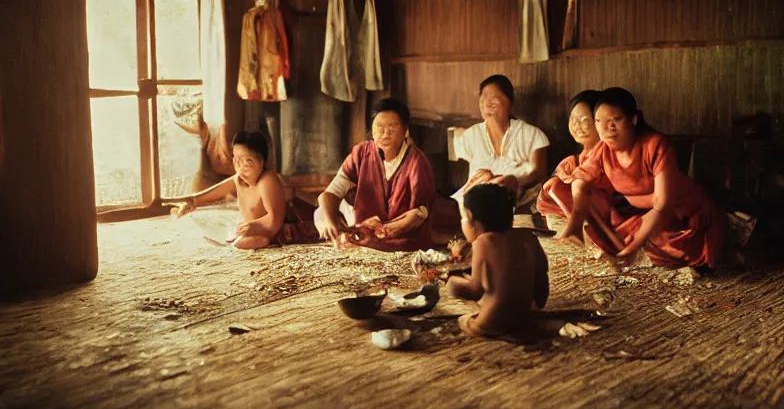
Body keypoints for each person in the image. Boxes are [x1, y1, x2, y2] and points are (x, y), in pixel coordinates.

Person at [556, 87, 726, 268]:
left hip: (685, 213)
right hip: (646, 213)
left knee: (664, 246)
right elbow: (581, 182)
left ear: (634, 119)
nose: (607, 128)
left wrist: (635, 245)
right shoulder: (603, 148)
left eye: (616, 120)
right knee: (603, 228)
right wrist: (575, 223)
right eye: (599, 121)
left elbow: (663, 204)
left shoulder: (656, 145)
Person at [314, 98, 436, 252]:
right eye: (379, 127)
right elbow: (330, 194)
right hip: (364, 231)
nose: (385, 134)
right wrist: (331, 222)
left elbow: (418, 215)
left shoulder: (417, 162)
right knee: (321, 213)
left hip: (402, 237)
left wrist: (382, 230)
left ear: (406, 130)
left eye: (392, 127)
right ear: (372, 130)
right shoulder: (361, 153)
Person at [448, 184, 549, 337]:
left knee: (464, 320)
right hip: (524, 318)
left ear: (470, 217)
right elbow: (541, 286)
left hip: (491, 323)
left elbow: (475, 291)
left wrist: (452, 285)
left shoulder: (483, 242)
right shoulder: (529, 237)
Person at [536, 90, 624, 251]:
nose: (578, 126)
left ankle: (588, 234)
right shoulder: (574, 160)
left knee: (556, 185)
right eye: (574, 120)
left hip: (612, 212)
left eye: (585, 120)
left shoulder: (610, 152)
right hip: (584, 210)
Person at [173, 131, 288, 249]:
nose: (241, 169)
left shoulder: (267, 180)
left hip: (271, 232)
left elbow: (275, 220)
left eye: (247, 163)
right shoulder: (239, 179)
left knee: (241, 242)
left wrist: (254, 226)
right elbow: (212, 193)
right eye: (237, 161)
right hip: (248, 231)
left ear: (261, 162)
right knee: (205, 227)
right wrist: (192, 202)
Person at [450, 74, 549, 210]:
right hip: (472, 201)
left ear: (509, 101)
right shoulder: (471, 135)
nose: (488, 103)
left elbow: (539, 174)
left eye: (494, 98)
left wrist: (505, 180)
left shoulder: (532, 135)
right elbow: (451, 150)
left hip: (513, 201)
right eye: (483, 98)